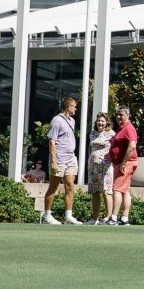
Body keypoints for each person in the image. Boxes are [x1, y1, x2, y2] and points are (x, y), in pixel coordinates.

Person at [43, 93, 82, 226]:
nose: (76, 109)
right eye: (74, 107)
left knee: (70, 186)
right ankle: (47, 215)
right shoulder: (57, 120)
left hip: (71, 158)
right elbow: (52, 142)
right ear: (68, 107)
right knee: (53, 186)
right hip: (59, 159)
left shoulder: (72, 121)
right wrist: (54, 161)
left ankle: (68, 216)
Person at [108, 104, 138, 226]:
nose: (118, 117)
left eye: (121, 114)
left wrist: (123, 163)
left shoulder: (129, 128)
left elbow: (132, 146)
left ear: (128, 115)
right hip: (121, 163)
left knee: (117, 189)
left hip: (126, 163)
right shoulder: (121, 128)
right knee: (124, 190)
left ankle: (113, 218)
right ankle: (124, 218)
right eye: (117, 114)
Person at [86, 113, 114, 224]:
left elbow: (115, 149)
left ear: (107, 122)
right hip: (93, 167)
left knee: (106, 191)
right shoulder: (92, 134)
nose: (100, 123)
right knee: (95, 192)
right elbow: (90, 148)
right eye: (98, 121)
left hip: (105, 167)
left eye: (102, 121)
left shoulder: (111, 134)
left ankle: (108, 217)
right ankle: (95, 218)